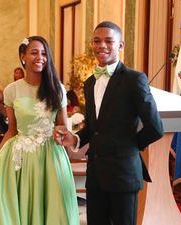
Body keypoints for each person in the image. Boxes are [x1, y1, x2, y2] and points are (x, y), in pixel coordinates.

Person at [54, 21, 164, 225]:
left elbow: (155, 127)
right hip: (95, 175)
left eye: (108, 41)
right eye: (97, 41)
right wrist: (75, 137)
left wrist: (128, 146)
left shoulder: (134, 79)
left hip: (123, 173)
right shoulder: (89, 83)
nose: (101, 45)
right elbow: (94, 127)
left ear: (120, 46)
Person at [0, 36, 79, 225]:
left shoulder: (56, 88)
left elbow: (63, 128)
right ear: (23, 56)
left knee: (53, 207)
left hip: (50, 155)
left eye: (44, 53)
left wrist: (66, 146)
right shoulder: (12, 90)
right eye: (34, 52)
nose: (39, 57)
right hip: (21, 157)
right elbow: (12, 130)